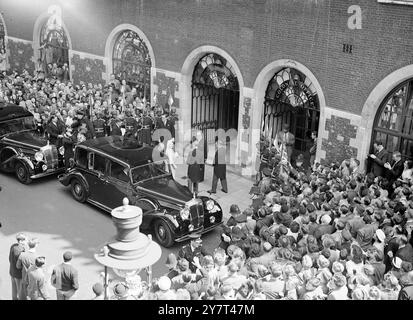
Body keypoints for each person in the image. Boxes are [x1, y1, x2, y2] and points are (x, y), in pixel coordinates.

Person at [9, 233, 27, 300]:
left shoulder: (13, 246)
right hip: (18, 275)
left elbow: (9, 259)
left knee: (14, 289)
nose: (27, 241)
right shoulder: (21, 251)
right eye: (25, 240)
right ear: (21, 241)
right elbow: (20, 266)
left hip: (12, 271)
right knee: (20, 291)